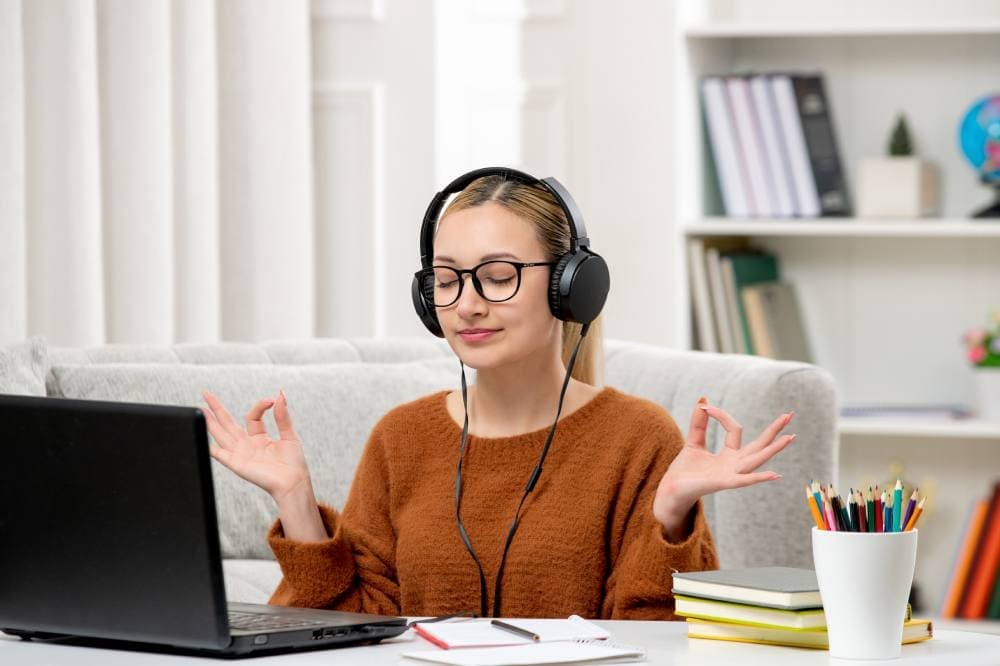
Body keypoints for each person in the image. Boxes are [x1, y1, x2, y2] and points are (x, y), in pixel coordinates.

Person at [201, 169, 796, 620]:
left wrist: (667, 518)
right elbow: (355, 633)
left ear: (570, 287)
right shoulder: (400, 438)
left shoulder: (637, 437)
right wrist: (296, 502)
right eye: (446, 278)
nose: (467, 303)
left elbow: (658, 637)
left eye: (499, 274)